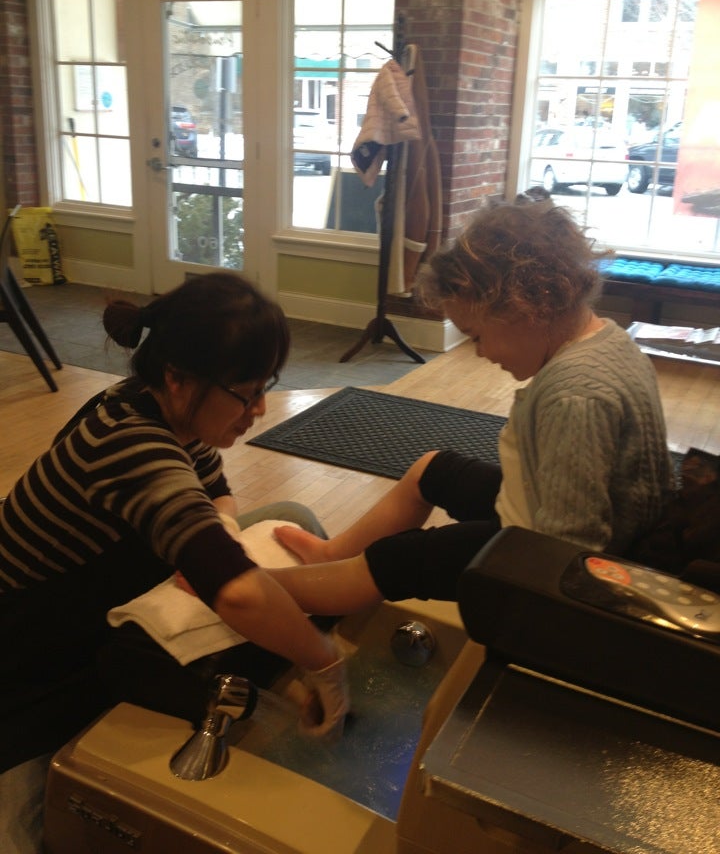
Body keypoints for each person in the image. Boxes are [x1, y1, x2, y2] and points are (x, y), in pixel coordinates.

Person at [0, 272, 348, 854]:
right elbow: (237, 592)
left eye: (266, 386)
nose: (260, 408)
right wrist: (323, 660)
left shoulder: (171, 412)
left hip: (94, 616)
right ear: (178, 378)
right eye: (246, 392)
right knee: (33, 828)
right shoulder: (129, 440)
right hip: (26, 655)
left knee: (286, 518)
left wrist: (220, 536)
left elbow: (216, 490)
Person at [270, 196, 674, 615]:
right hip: (536, 505)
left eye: (477, 336)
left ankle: (252, 592)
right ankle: (331, 553)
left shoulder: (575, 396)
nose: (480, 353)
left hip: (547, 555)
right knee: (432, 469)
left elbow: (564, 551)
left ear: (526, 308)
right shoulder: (608, 339)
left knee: (396, 560)